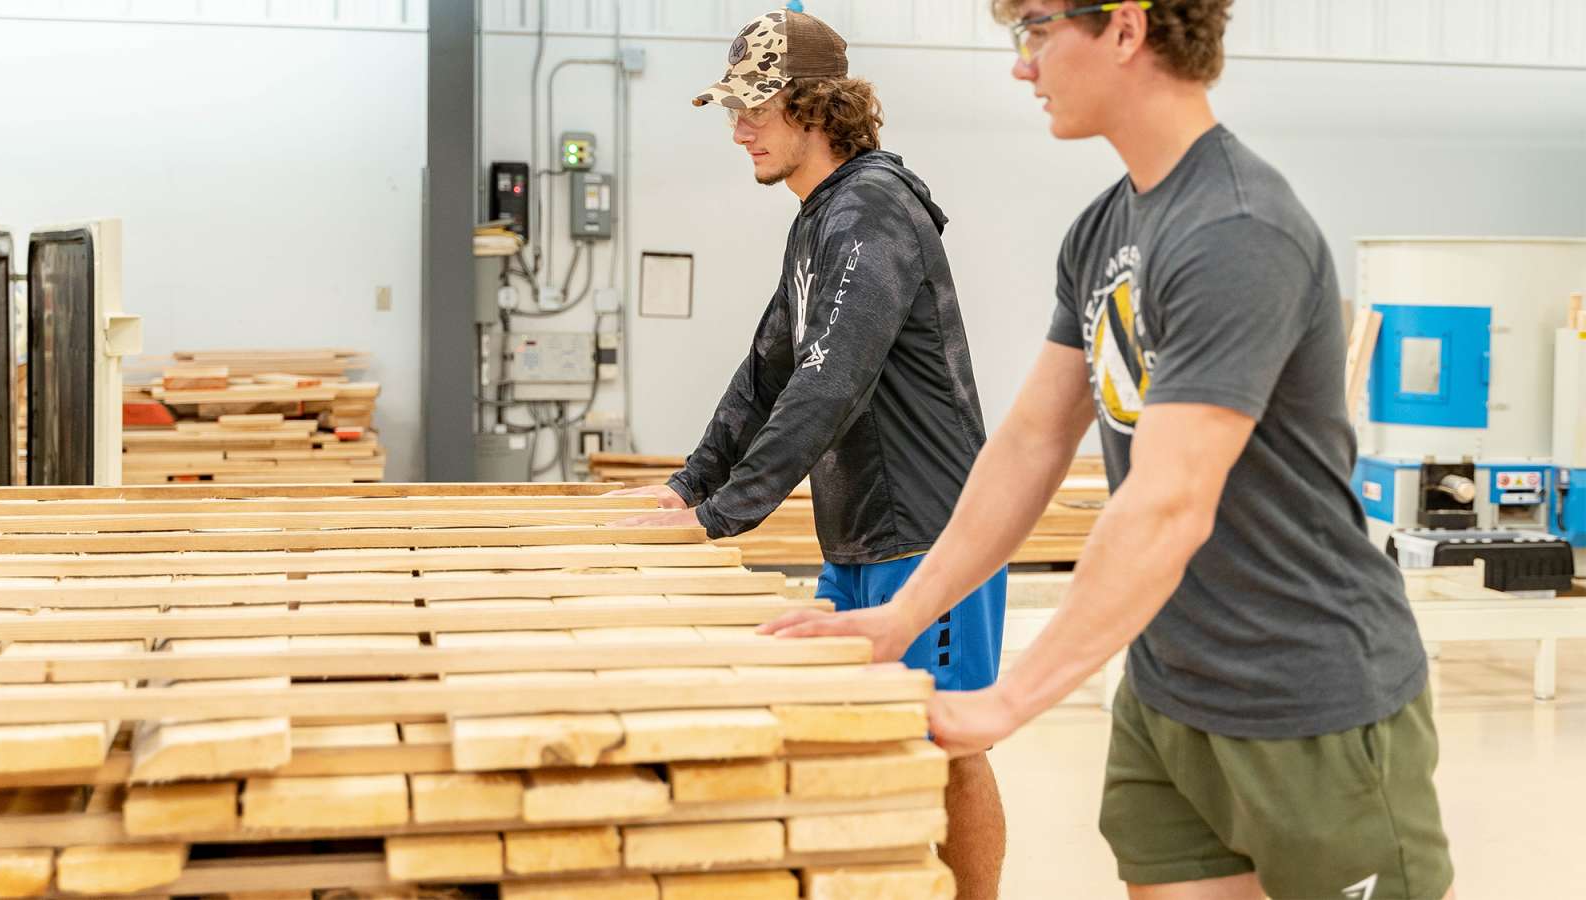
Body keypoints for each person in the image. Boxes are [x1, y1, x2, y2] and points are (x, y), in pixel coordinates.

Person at [763, 2, 1457, 897]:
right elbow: (1030, 444)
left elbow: (1167, 504)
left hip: (1307, 701)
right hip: (1171, 690)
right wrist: (906, 614)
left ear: (1126, 28)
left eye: (1038, 31)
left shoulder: (1235, 231)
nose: (1024, 65)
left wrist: (1010, 698)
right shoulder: (1104, 230)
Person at [609, 9, 1008, 896]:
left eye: (759, 105)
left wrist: (719, 519)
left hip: (933, 539)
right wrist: (685, 490)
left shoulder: (874, 212)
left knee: (950, 745)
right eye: (731, 109)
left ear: (820, 108)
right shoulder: (818, 219)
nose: (739, 126)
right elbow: (765, 373)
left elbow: (829, 387)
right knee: (859, 734)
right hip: (864, 535)